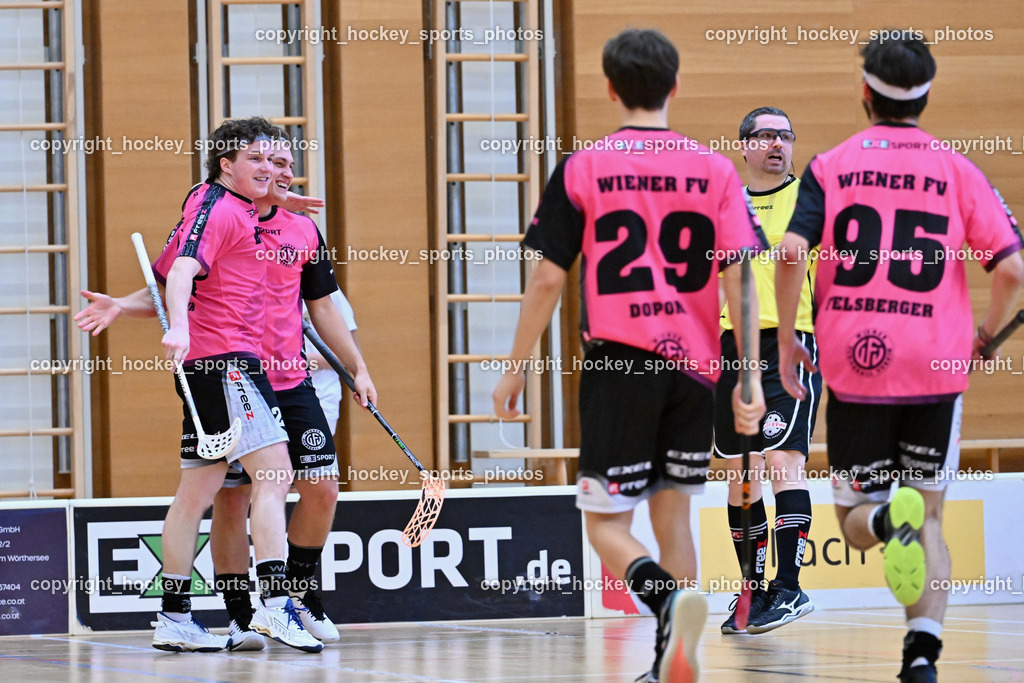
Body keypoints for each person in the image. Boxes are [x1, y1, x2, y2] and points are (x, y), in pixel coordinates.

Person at [492, 28, 766, 683]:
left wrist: (516, 364)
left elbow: (548, 277)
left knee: (606, 524)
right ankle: (672, 659)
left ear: (610, 89)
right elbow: (740, 277)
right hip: (696, 368)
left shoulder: (583, 166)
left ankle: (669, 605)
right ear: (675, 85)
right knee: (675, 514)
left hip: (620, 363)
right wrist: (748, 376)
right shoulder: (717, 169)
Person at [775, 32, 1023, 683]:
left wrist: (782, 339)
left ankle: (887, 517)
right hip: (937, 366)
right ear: (927, 94)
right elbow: (1013, 271)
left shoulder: (830, 167)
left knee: (857, 525)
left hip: (856, 367)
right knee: (931, 514)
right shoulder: (958, 168)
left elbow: (792, 253)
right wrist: (990, 338)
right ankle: (921, 653)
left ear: (865, 91)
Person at [75, 131, 376, 652]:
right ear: (226, 163)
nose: (270, 168)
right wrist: (179, 330)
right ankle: (271, 607)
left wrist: (130, 310)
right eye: (257, 159)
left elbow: (181, 284)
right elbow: (183, 272)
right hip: (227, 364)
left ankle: (175, 616)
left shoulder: (238, 211)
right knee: (272, 477)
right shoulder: (219, 209)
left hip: (238, 367)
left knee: (199, 492)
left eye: (277, 160)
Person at [714, 107, 819, 634]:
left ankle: (791, 589)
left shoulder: (811, 200)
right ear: (745, 146)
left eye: (786, 134)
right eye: (766, 135)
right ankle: (752, 592)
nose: (777, 143)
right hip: (732, 351)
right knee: (741, 480)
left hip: (790, 346)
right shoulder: (725, 205)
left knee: (783, 466)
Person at [305, 289, 360, 435]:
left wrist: (296, 360)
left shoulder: (326, 289)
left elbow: (347, 356)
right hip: (272, 391)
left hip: (321, 394)